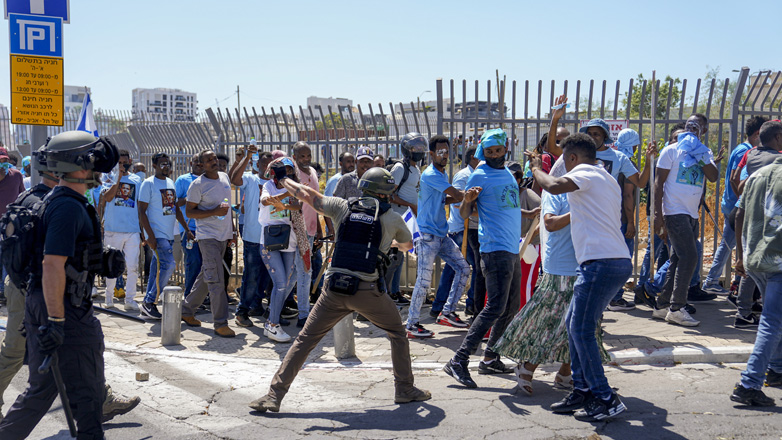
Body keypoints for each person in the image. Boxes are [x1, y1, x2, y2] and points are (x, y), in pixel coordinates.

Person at [248, 167, 430, 413]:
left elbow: (305, 194)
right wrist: (390, 243)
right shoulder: (392, 218)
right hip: (368, 293)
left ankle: (274, 396)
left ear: (363, 187)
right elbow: (407, 245)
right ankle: (405, 389)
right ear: (386, 193)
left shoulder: (341, 207)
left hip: (333, 292)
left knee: (305, 340)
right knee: (397, 333)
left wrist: (283, 179)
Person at [0, 144, 140, 426]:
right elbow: (53, 260)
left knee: (71, 357)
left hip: (37, 288)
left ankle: (99, 399)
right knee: (17, 354)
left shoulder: (39, 196)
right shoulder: (57, 202)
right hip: (39, 289)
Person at [529, 132, 633, 421]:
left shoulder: (586, 173)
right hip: (611, 261)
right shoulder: (606, 178)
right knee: (573, 324)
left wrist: (536, 168)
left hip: (600, 263)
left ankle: (605, 397)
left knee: (582, 329)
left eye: (565, 159)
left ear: (573, 158)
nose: (563, 165)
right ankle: (582, 390)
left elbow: (552, 185)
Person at [492, 188, 610, 395]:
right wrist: (580, 210)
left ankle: (565, 373)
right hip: (560, 267)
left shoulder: (590, 190)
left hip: (586, 263)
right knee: (550, 323)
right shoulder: (556, 191)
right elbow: (550, 223)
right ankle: (527, 366)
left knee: (581, 325)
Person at [444, 129, 521, 388]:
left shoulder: (507, 172)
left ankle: (490, 358)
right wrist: (467, 200)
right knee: (495, 307)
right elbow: (464, 213)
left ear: (505, 148)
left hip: (511, 248)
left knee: (510, 307)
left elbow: (507, 205)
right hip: (494, 248)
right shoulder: (479, 174)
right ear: (483, 152)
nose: (495, 155)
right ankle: (459, 359)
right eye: (489, 152)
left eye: (498, 150)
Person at [578, 110, 655, 311]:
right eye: (590, 133)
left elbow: (640, 182)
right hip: (584, 218)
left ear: (605, 136)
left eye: (597, 134)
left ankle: (602, 303)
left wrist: (648, 162)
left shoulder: (618, 157)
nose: (593, 137)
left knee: (611, 262)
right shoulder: (581, 155)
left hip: (609, 220)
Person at [653, 114, 723, 326]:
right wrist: (657, 215)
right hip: (674, 211)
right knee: (690, 257)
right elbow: (658, 183)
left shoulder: (704, 152)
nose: (692, 128)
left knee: (678, 258)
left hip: (692, 213)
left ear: (703, 131)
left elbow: (713, 177)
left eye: (697, 126)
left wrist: (700, 154)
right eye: (690, 125)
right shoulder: (671, 150)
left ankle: (662, 305)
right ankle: (677, 308)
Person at [729, 130, 782, 407]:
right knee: (772, 320)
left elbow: (738, 214)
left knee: (775, 318)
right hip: (778, 260)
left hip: (756, 259)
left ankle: (776, 369)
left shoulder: (756, 176)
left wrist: (740, 255)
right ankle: (749, 384)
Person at [405, 135, 470, 338]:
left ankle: (447, 312)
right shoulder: (431, 174)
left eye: (446, 152)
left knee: (463, 268)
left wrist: (465, 195)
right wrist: (471, 195)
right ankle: (411, 325)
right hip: (427, 236)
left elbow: (445, 198)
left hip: (441, 234)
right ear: (431, 154)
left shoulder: (441, 174)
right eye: (440, 152)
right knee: (423, 282)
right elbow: (457, 195)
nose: (444, 156)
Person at [703, 116, 768, 294]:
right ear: (758, 133)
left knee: (734, 245)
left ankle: (735, 283)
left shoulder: (742, 149)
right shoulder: (747, 151)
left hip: (733, 204)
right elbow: (736, 179)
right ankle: (711, 281)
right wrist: (743, 200)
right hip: (736, 206)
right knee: (729, 245)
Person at [729, 120, 782, 327]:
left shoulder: (750, 154)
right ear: (777, 137)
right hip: (769, 220)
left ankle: (743, 311)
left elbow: (735, 178)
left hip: (747, 214)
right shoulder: (777, 160)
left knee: (750, 266)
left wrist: (743, 198)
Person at [180, 150, 236, 338]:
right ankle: (220, 323)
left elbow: (227, 207)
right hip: (207, 237)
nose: (214, 161)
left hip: (223, 236)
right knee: (216, 280)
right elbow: (190, 212)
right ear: (201, 165)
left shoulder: (224, 177)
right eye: (209, 160)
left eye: (214, 158)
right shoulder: (197, 185)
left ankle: (186, 310)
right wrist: (213, 212)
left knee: (207, 275)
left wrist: (232, 230)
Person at [138, 153, 189, 319]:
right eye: (162, 164)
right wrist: (149, 235)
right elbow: (141, 211)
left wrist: (187, 229)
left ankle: (147, 304)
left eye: (168, 163)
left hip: (168, 234)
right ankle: (150, 301)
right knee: (169, 264)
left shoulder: (170, 183)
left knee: (156, 270)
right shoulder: (148, 184)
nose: (166, 166)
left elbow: (175, 208)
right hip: (156, 234)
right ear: (154, 166)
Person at [258, 157, 302, 342]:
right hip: (270, 241)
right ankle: (273, 325)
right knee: (281, 283)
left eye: (290, 171)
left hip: (289, 241)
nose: (287, 175)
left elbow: (299, 205)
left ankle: (271, 323)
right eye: (284, 172)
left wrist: (284, 203)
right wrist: (284, 195)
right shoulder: (268, 185)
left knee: (284, 284)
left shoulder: (294, 186)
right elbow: (265, 201)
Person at [432, 145, 478, 317]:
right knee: (476, 267)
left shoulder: (475, 174)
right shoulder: (464, 175)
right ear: (473, 157)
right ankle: (471, 304)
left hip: (467, 229)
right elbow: (457, 202)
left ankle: (439, 306)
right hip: (461, 230)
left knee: (454, 268)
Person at [230, 144, 272, 327]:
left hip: (271, 237)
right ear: (258, 165)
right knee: (252, 275)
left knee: (266, 275)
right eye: (264, 164)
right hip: (253, 237)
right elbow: (234, 179)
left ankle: (256, 305)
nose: (267, 168)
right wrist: (247, 156)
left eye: (270, 165)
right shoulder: (250, 178)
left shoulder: (276, 183)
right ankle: (242, 312)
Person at [99, 149, 143, 311]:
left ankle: (130, 299)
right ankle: (109, 297)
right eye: (120, 163)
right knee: (111, 265)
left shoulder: (137, 180)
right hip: (113, 230)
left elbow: (139, 205)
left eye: (125, 163)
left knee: (132, 266)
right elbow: (107, 198)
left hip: (132, 229)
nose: (123, 166)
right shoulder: (108, 178)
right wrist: (117, 178)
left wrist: (142, 230)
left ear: (130, 162)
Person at [385, 134, 425, 303]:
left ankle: (394, 292)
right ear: (407, 149)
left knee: (400, 257)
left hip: (408, 219)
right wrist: (411, 205)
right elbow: (389, 194)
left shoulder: (415, 169)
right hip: (396, 217)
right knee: (392, 258)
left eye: (421, 147)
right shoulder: (400, 168)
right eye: (416, 147)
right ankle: (384, 295)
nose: (419, 150)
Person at [289, 141, 321, 327]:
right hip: (296, 231)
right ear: (294, 157)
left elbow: (315, 202)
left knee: (296, 273)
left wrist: (319, 229)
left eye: (308, 155)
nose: (306, 159)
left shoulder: (313, 172)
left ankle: (275, 307)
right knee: (304, 273)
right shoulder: (292, 174)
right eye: (302, 156)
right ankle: (304, 316)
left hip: (310, 229)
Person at [175, 154, 203, 298]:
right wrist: (189, 199)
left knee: (205, 264)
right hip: (189, 229)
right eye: (196, 161)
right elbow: (174, 203)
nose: (199, 164)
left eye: (201, 162)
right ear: (191, 163)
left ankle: (202, 297)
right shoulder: (182, 180)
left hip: (206, 228)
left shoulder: (209, 179)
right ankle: (189, 296)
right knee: (193, 262)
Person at [0, 146, 25, 304]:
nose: (2, 164)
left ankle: (4, 290)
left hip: (11, 224)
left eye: (5, 161)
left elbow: (22, 196)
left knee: (8, 258)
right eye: (0, 161)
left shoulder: (16, 176)